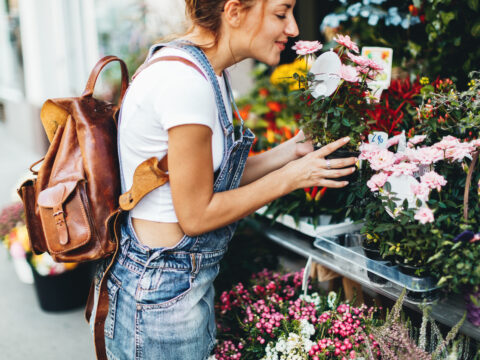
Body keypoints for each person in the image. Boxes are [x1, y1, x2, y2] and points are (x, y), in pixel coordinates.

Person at [91, 0, 357, 359]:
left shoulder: (199, 69)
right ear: (233, 12)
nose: (293, 29)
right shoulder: (186, 83)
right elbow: (197, 214)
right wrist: (293, 178)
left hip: (167, 280)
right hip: (163, 291)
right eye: (281, 13)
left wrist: (290, 153)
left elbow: (206, 180)